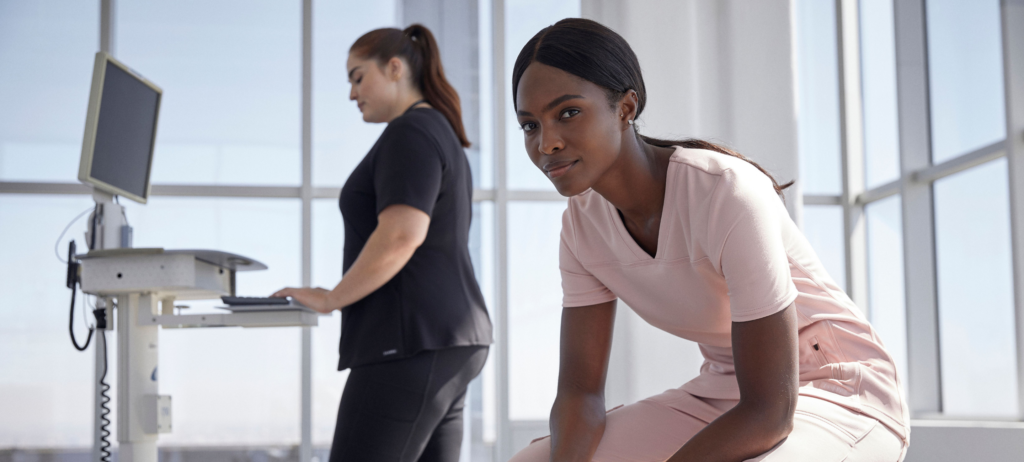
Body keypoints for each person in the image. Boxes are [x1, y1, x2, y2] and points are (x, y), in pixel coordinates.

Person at [507, 18, 909, 462]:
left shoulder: (726, 192)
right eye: (530, 126)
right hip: (724, 391)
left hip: (834, 389)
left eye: (568, 113)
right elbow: (580, 394)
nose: (547, 144)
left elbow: (770, 410)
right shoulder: (582, 228)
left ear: (625, 108)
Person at [273, 24, 492, 462]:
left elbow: (401, 235)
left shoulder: (410, 133)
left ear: (395, 68)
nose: (352, 93)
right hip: (450, 340)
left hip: (410, 341)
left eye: (358, 77)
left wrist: (330, 298)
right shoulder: (438, 131)